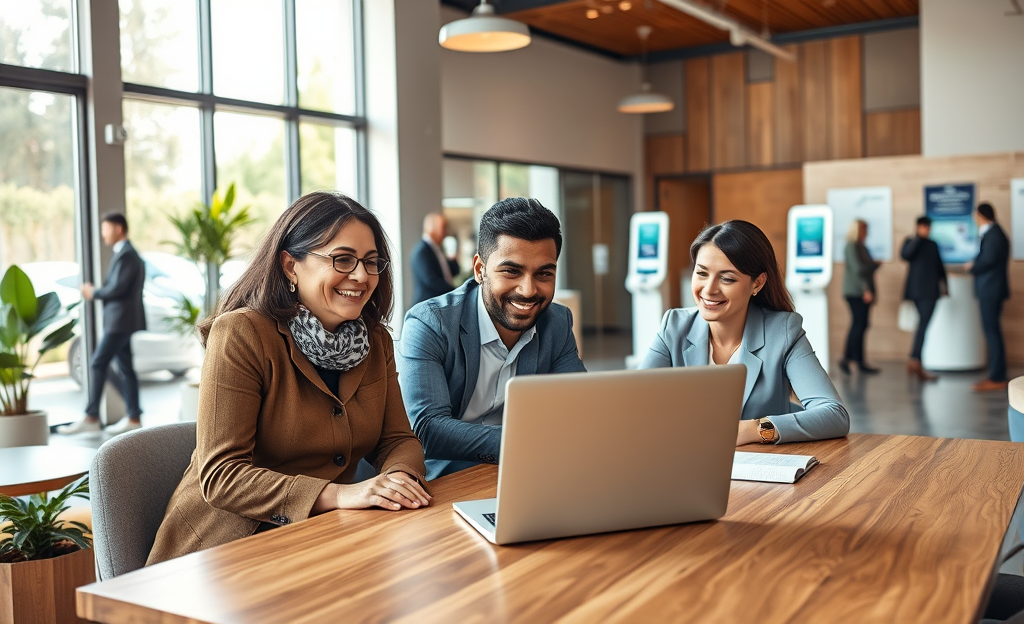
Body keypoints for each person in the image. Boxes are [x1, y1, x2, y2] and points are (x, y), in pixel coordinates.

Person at [147, 192, 430, 565]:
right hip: (224, 551)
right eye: (343, 259)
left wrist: (397, 482)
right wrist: (339, 495)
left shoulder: (375, 341)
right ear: (290, 266)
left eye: (371, 262)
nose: (362, 276)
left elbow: (397, 440)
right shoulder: (242, 333)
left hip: (321, 539)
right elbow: (222, 476)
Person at [398, 197, 585, 480]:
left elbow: (578, 409)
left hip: (529, 473)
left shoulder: (557, 323)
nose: (528, 290)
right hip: (446, 478)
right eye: (511, 271)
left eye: (544, 273)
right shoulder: (430, 323)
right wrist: (524, 442)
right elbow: (429, 429)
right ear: (479, 269)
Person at [640, 220, 849, 445]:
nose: (709, 289)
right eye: (701, 273)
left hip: (759, 464)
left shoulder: (783, 332)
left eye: (727, 278)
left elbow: (834, 414)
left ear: (757, 283)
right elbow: (634, 403)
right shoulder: (674, 326)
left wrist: (753, 429)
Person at [57, 212, 145, 435]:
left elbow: (118, 289)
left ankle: (92, 416)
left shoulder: (128, 255)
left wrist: (93, 292)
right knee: (125, 367)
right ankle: (134, 416)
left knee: (98, 363)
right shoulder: (124, 254)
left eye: (105, 228)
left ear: (118, 229)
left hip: (120, 322)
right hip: (120, 321)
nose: (103, 234)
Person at [966, 202, 1011, 392]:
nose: (974, 219)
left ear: (980, 215)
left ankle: (997, 377)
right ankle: (996, 374)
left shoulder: (994, 234)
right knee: (992, 332)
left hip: (991, 290)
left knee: (992, 332)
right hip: (991, 290)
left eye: (975, 216)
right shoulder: (993, 233)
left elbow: (989, 259)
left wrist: (972, 266)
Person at [900, 216, 947, 381]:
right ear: (918, 227)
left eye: (928, 227)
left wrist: (945, 286)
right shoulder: (911, 241)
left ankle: (915, 360)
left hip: (931, 291)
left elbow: (940, 267)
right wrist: (917, 238)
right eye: (924, 226)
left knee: (923, 325)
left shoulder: (933, 244)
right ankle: (915, 360)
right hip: (916, 291)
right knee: (922, 325)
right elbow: (905, 255)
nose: (927, 229)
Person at [839, 219, 881, 375]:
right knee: (858, 325)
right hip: (856, 292)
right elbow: (858, 270)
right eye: (864, 230)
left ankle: (858, 360)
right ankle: (846, 359)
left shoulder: (862, 246)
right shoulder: (851, 246)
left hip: (862, 292)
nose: (866, 233)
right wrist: (866, 289)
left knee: (862, 325)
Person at [410, 212, 458, 305]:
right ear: (431, 227)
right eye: (443, 227)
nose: (446, 232)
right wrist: (455, 293)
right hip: (426, 306)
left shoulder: (437, 249)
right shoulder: (422, 251)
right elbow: (431, 280)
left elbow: (451, 272)